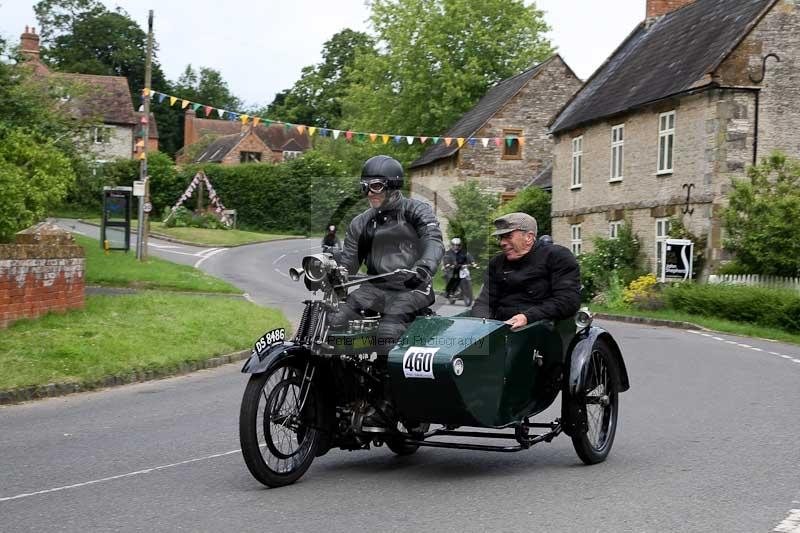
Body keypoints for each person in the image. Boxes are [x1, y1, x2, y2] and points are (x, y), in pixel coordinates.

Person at [331, 155, 444, 360]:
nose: (369, 193)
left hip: (412, 288)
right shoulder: (360, 222)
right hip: (374, 288)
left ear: (393, 185)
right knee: (336, 322)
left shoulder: (417, 211)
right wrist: (334, 269)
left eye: (375, 186)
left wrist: (424, 267)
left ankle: (387, 388)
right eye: (364, 187)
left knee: (386, 334)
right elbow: (349, 262)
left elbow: (433, 240)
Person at [471, 212, 581, 329]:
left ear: (528, 237)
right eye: (501, 237)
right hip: (501, 329)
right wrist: (482, 323)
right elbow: (484, 302)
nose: (502, 243)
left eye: (508, 236)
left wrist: (527, 317)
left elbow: (568, 301)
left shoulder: (557, 257)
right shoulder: (497, 263)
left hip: (542, 330)